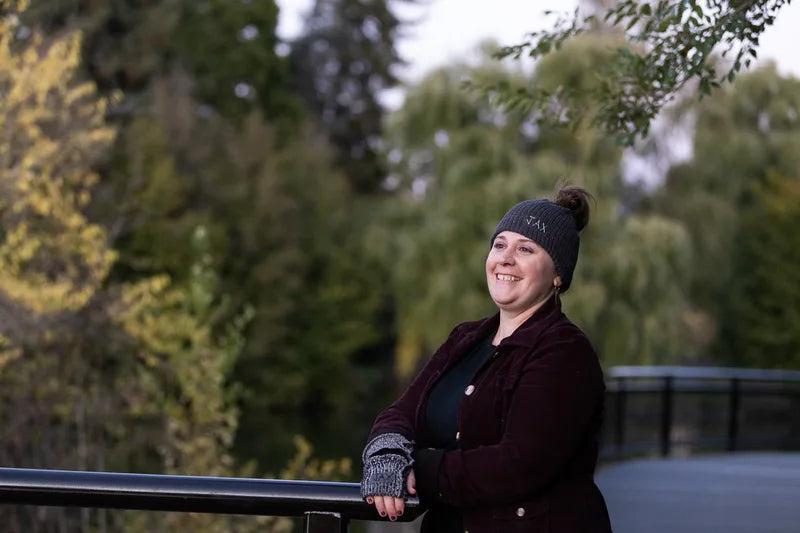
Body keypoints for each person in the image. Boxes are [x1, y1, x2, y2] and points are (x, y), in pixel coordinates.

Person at [359, 185, 612, 532]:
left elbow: (519, 465)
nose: (506, 258)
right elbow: (401, 412)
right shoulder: (465, 338)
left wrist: (420, 468)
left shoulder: (564, 351)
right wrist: (387, 455)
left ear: (557, 275)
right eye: (500, 244)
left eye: (525, 249)